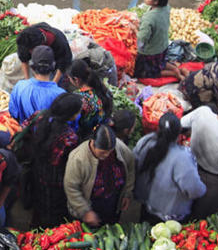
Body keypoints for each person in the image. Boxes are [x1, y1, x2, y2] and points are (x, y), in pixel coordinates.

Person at [21, 93, 82, 228]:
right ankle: (49, 230)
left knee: (38, 199)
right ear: (71, 115)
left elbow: (24, 128)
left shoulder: (39, 116)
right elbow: (67, 163)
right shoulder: (69, 137)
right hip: (55, 179)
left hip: (36, 169)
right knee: (53, 209)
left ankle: (35, 225)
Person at [133, 113, 205, 222]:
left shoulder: (145, 142)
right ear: (179, 133)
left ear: (158, 128)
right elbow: (194, 189)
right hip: (169, 216)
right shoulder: (181, 157)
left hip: (146, 206)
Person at [64, 124, 135, 226]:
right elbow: (71, 188)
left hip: (112, 202)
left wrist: (127, 193)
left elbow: (130, 167)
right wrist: (85, 211)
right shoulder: (78, 158)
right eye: (102, 153)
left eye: (109, 152)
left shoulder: (119, 148)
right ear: (93, 143)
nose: (106, 155)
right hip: (90, 204)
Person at [134, 0, 187, 82]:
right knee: (160, 63)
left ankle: (174, 73)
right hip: (163, 46)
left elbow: (143, 38)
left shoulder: (149, 18)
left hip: (151, 52)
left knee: (145, 73)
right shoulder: (166, 7)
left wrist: (134, 29)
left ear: (156, 2)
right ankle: (178, 69)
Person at [9, 45, 65, 124]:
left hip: (24, 133)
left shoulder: (20, 86)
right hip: (49, 136)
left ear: (32, 67)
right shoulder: (61, 95)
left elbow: (13, 113)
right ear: (53, 66)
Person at [68, 59, 113, 140]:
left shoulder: (78, 97)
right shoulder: (104, 90)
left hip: (85, 138)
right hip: (102, 135)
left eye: (69, 79)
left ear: (76, 79)